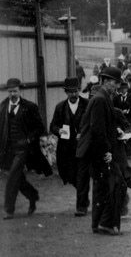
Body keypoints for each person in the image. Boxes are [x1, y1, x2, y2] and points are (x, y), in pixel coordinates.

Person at [76, 67, 125, 235]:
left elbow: (102, 125)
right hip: (99, 151)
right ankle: (106, 223)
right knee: (116, 183)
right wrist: (107, 151)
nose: (117, 86)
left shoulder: (103, 98)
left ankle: (97, 223)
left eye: (118, 83)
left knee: (101, 187)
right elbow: (97, 129)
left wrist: (116, 131)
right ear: (104, 81)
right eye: (115, 82)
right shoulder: (100, 100)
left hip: (97, 150)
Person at [0, 78, 48, 220]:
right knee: (18, 178)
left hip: (24, 149)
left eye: (15, 91)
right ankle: (33, 195)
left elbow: (40, 128)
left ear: (20, 91)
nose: (12, 94)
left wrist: (28, 140)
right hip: (8, 149)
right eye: (10, 91)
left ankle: (9, 210)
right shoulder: (2, 107)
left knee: (12, 176)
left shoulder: (29, 107)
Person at [50, 77, 90, 216]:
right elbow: (53, 125)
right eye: (71, 92)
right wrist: (58, 131)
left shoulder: (87, 104)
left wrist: (84, 134)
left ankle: (81, 206)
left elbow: (92, 123)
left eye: (76, 91)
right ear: (66, 92)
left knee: (82, 176)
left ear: (79, 90)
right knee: (69, 175)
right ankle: (83, 196)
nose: (74, 94)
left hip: (83, 147)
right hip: (66, 149)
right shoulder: (60, 107)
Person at [113, 82, 131, 159]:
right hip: (119, 119)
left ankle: (129, 153)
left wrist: (127, 111)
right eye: (122, 89)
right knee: (121, 135)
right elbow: (114, 107)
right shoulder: (117, 97)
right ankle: (123, 152)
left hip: (129, 119)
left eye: (124, 89)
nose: (123, 90)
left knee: (129, 135)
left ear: (127, 89)